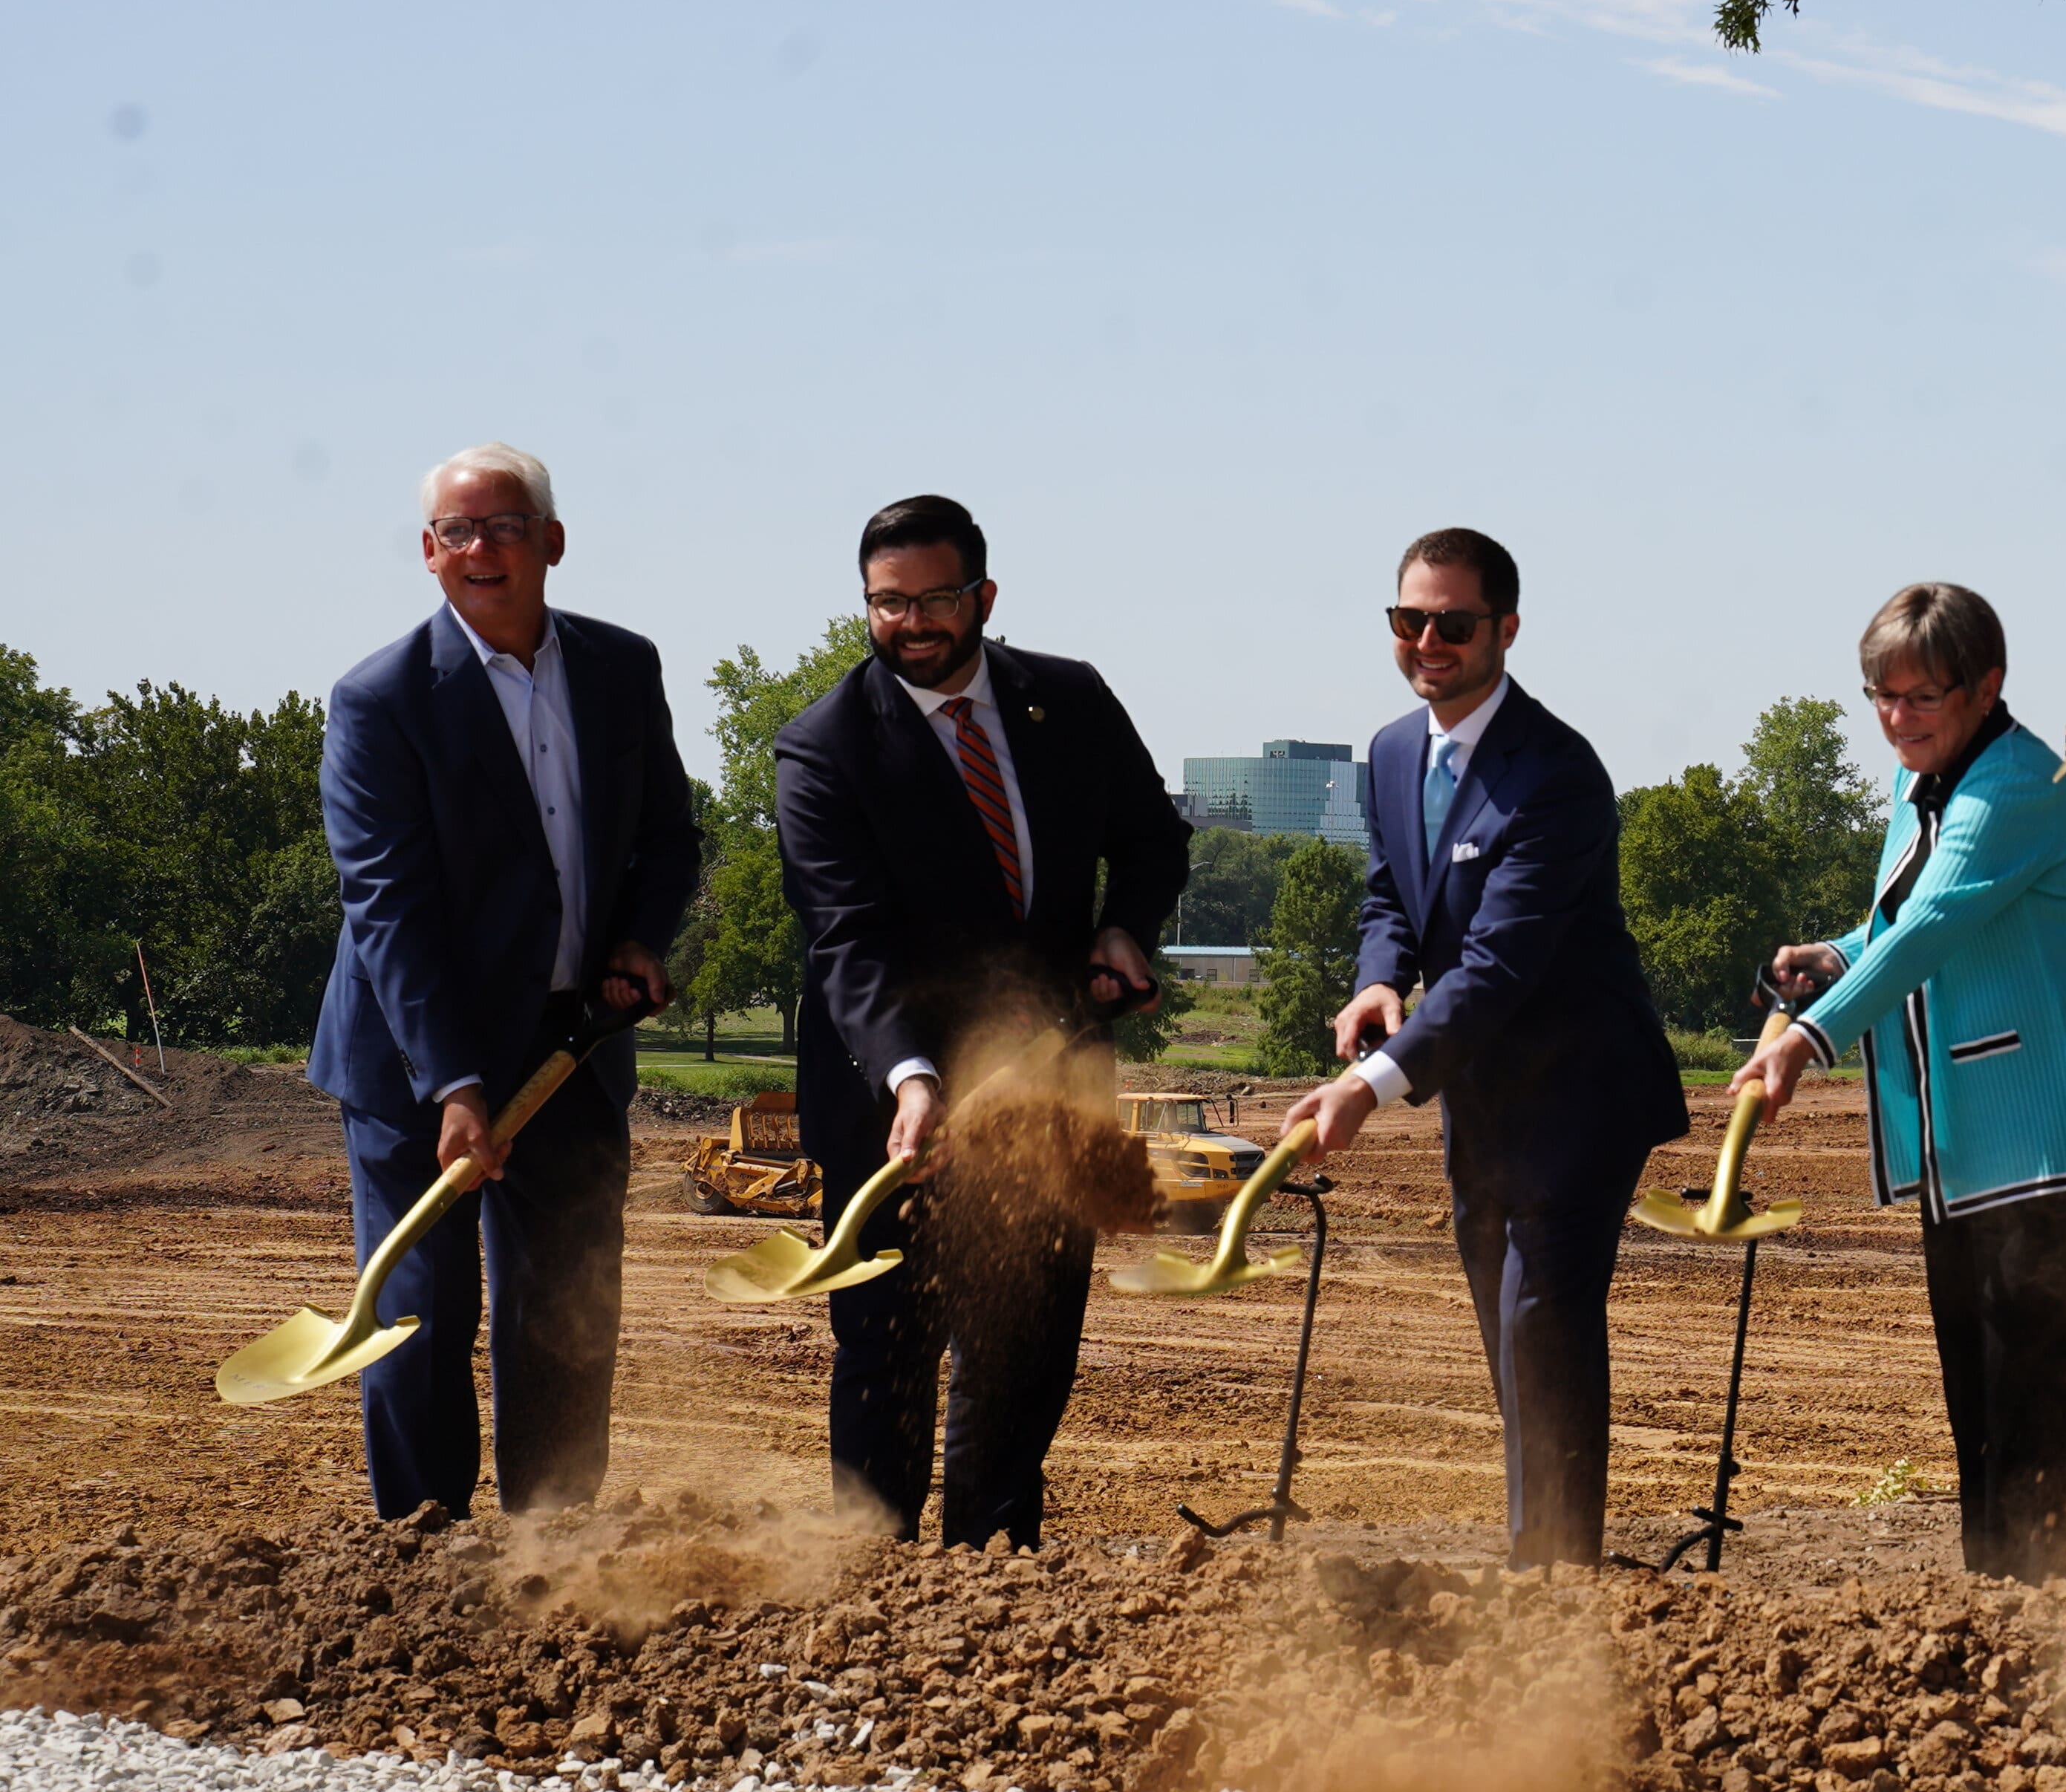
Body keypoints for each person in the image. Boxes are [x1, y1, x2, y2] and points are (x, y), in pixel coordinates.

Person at [772, 495, 1192, 1547]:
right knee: (888, 1349)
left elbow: (1151, 838)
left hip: (1054, 1090)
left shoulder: (1071, 699)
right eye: (887, 602)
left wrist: (1123, 931)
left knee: (1025, 1345)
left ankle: (994, 1576)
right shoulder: (823, 751)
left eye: (936, 600)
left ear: (983, 598)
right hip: (895, 1107)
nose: (912, 622)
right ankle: (874, 1583)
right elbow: (846, 944)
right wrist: (912, 1077)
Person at [307, 446, 703, 1519]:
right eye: (459, 532)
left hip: (574, 1042)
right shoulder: (380, 702)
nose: (483, 549)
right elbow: (388, 907)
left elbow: (670, 840)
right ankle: (423, 1556)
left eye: (508, 526)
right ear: (431, 555)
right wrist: (456, 1086)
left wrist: (637, 939)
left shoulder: (623, 670)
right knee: (418, 1319)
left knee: (563, 1311)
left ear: (553, 543)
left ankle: (554, 1551)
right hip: (413, 1062)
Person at [1277, 529, 1687, 1568]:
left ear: (1505, 629)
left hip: (1582, 1092)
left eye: (1453, 624)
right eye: (1408, 621)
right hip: (1481, 1094)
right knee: (1506, 1330)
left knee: (1541, 1318)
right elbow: (1392, 898)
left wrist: (1371, 1082)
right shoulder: (1391, 752)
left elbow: (1500, 963)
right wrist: (1379, 976)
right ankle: (1544, 1561)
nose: (1428, 642)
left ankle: (1553, 1581)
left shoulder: (1555, 774)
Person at [1730, 584, 2066, 1579]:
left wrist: (1806, 1040)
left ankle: (2033, 1628)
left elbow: (1930, 930)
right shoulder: (1927, 784)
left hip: (2040, 1142)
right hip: (1964, 1148)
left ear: (1987, 685)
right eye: (1881, 695)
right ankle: (1998, 1610)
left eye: (1922, 698)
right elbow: (1893, 928)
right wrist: (1828, 957)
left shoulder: (2015, 789)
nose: (1897, 719)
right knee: (1979, 1411)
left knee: (2027, 1415)